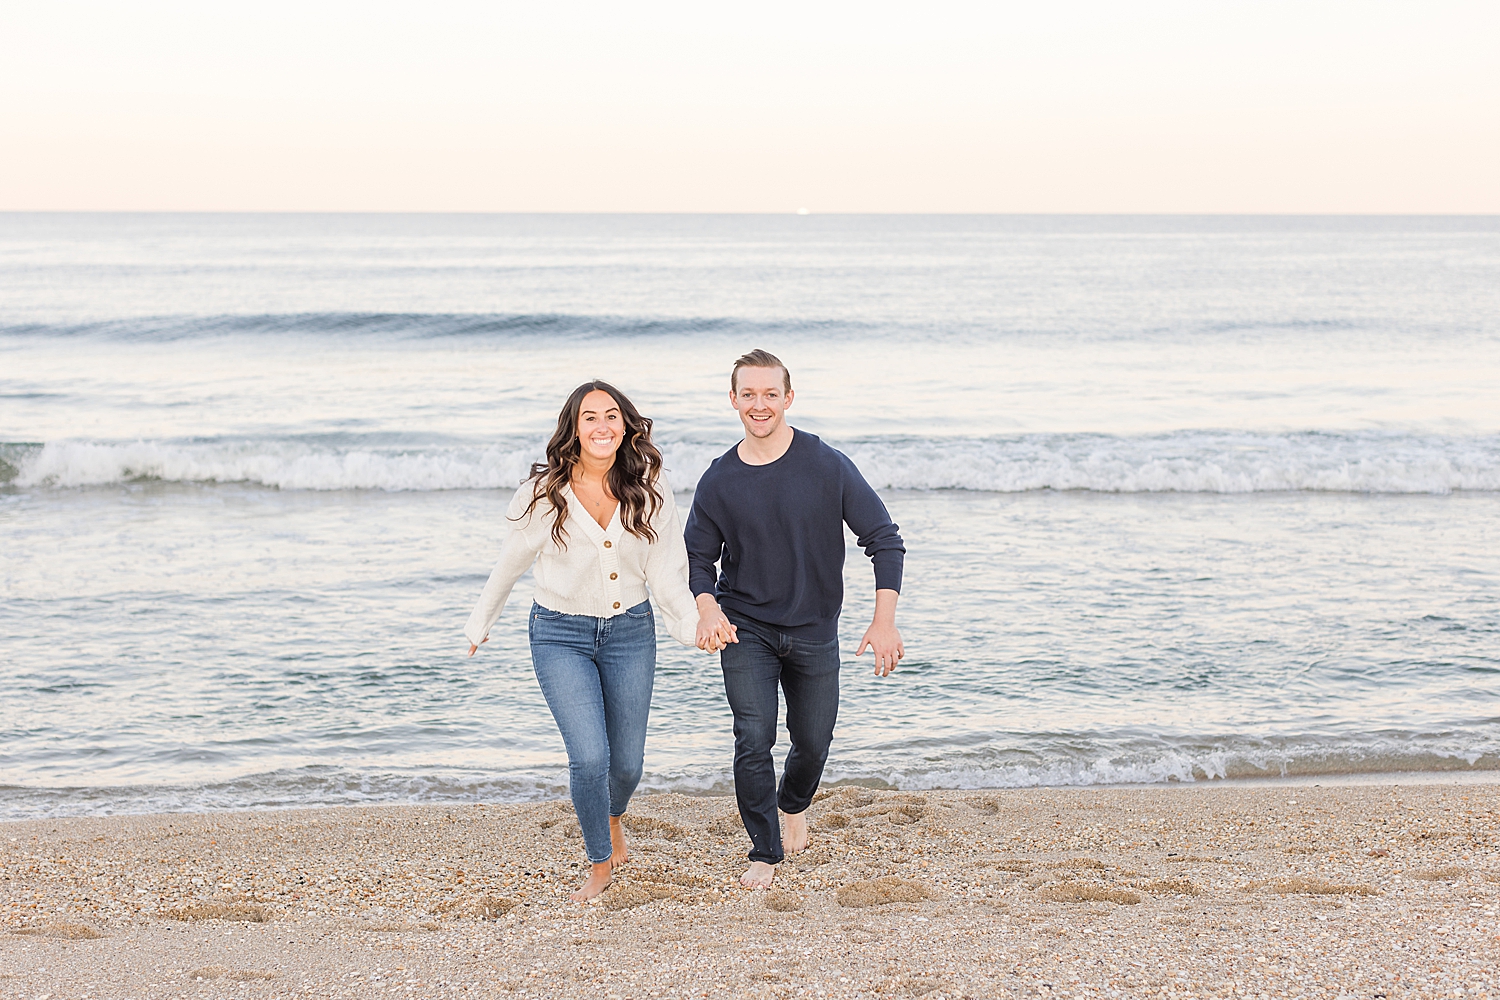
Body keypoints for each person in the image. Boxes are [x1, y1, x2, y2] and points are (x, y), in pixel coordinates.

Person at [464, 381, 734, 902]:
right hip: (559, 634)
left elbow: (668, 573)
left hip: (631, 632)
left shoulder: (650, 487)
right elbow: (510, 563)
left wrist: (692, 625)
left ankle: (613, 815)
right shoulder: (545, 494)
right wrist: (481, 622)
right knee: (590, 757)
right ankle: (599, 861)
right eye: (590, 417)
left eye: (612, 415)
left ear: (627, 425)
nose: (603, 426)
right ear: (574, 428)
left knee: (627, 764)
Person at [685, 350, 906, 888]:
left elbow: (884, 540)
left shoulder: (826, 464)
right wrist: (708, 606)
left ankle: (793, 803)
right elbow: (696, 558)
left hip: (813, 628)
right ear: (733, 400)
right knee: (752, 736)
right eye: (748, 394)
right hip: (746, 626)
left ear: (788, 398)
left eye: (769, 394)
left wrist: (884, 621)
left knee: (813, 739)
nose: (759, 405)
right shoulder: (718, 480)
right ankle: (764, 850)